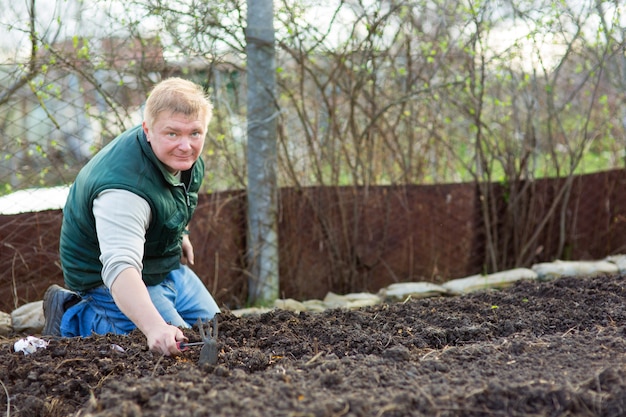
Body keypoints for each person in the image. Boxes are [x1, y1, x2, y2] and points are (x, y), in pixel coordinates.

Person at [42, 77, 220, 356]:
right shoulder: (124, 191)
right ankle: (73, 313)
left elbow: (172, 197)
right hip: (108, 279)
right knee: (176, 346)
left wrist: (178, 232)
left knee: (217, 325)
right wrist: (154, 328)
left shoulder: (184, 161)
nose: (186, 145)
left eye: (195, 133)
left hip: (159, 266)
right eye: (172, 133)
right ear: (147, 130)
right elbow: (120, 267)